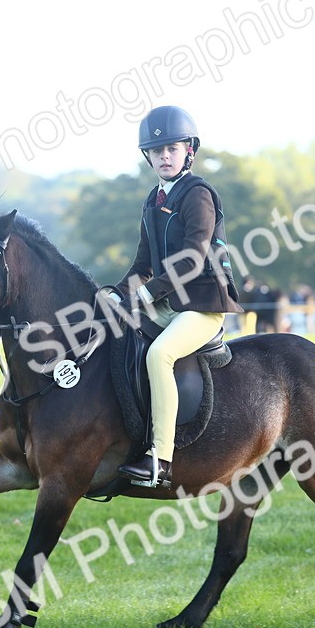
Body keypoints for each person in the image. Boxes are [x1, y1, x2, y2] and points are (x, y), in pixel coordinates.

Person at [112, 106, 243, 488]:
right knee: (114, 339)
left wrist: (145, 295)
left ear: (189, 151)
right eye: (157, 151)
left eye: (172, 148)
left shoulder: (197, 194)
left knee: (159, 354)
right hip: (167, 304)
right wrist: (116, 295)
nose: (164, 156)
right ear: (148, 157)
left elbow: (192, 259)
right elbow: (141, 264)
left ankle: (160, 460)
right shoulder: (153, 199)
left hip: (203, 304)